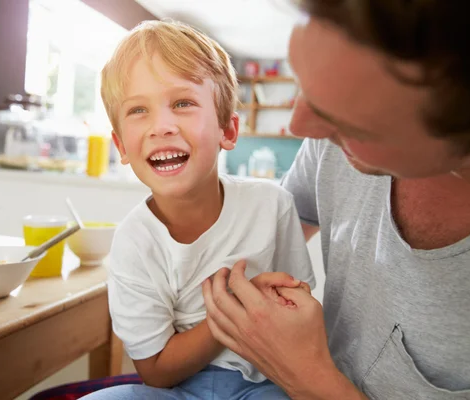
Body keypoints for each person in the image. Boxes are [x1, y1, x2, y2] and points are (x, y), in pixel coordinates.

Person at [203, 1, 470, 399]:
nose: (300, 126)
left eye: (350, 126)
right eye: (305, 87)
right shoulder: (332, 144)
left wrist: (305, 374)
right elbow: (265, 234)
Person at [82, 20, 315, 400]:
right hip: (178, 392)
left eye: (183, 103)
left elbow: (295, 303)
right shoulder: (133, 241)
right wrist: (234, 312)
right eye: (138, 110)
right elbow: (156, 371)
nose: (162, 126)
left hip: (266, 385)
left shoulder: (272, 205)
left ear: (228, 130)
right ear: (121, 146)